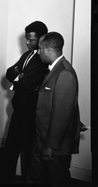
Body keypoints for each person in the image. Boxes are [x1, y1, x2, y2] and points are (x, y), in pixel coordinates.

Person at [27, 32, 80, 187]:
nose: (38, 52)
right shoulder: (53, 69)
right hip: (41, 138)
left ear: (49, 50)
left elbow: (61, 114)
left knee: (56, 179)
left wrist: (50, 146)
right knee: (35, 177)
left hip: (53, 146)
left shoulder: (64, 73)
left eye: (40, 49)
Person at [2, 21, 48, 182]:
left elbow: (28, 82)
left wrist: (21, 76)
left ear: (42, 39)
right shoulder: (26, 55)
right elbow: (9, 72)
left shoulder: (43, 59)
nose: (27, 42)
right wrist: (19, 76)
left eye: (31, 39)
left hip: (31, 113)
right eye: (26, 39)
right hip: (18, 110)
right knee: (10, 149)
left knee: (29, 152)